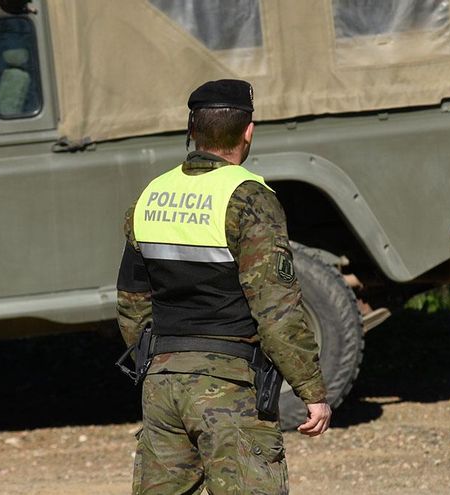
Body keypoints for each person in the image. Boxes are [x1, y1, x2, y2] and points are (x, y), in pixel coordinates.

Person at [116, 79, 331, 494]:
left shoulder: (150, 196)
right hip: (231, 389)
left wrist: (155, 367)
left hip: (163, 386)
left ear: (192, 130)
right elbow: (277, 311)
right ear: (248, 131)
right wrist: (312, 391)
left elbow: (131, 303)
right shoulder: (248, 199)